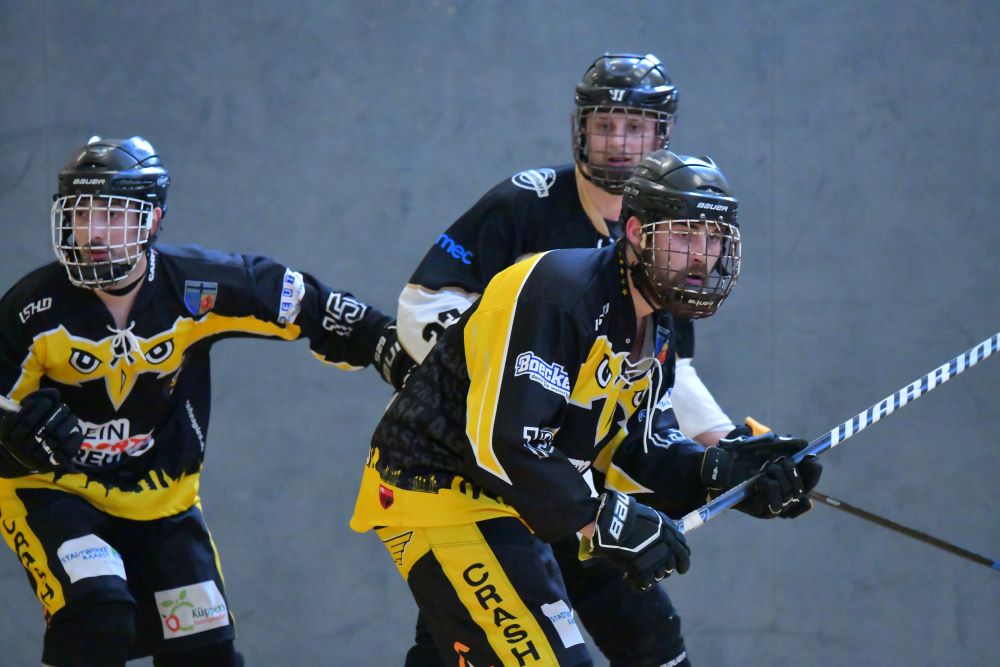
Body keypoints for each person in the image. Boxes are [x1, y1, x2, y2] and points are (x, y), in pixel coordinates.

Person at [352, 150, 822, 667]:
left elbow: (637, 449)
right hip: (438, 493)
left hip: (512, 507)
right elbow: (505, 444)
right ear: (638, 232)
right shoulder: (561, 291)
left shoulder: (657, 328)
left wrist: (726, 473)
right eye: (684, 236)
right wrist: (599, 518)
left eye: (712, 239)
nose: (700, 256)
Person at [0, 136, 413, 667]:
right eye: (81, 215)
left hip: (162, 501)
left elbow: (309, 303)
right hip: (54, 493)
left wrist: (397, 351)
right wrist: (13, 446)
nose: (95, 232)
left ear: (152, 221)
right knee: (97, 614)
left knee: (207, 653)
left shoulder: (199, 288)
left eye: (114, 214)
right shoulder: (30, 307)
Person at [396, 53, 737, 666]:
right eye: (608, 124)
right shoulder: (530, 214)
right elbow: (425, 306)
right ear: (637, 234)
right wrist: (503, 380)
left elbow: (653, 395)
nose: (621, 142)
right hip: (476, 467)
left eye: (638, 127)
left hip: (566, 472)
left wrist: (723, 455)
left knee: (646, 639)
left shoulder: (661, 285)